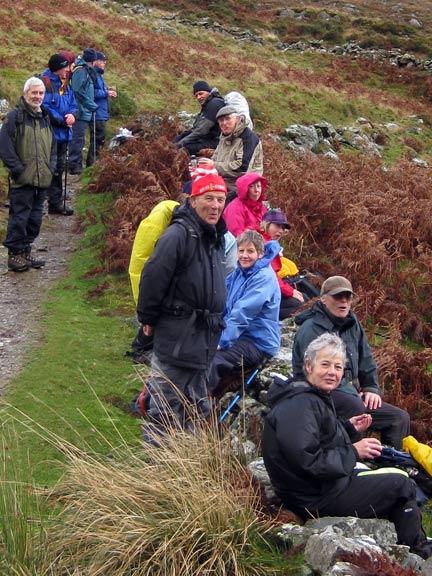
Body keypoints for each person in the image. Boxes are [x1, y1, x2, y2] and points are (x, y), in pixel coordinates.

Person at [262, 333, 432, 560]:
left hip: (317, 488)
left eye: (338, 366)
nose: (332, 372)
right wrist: (354, 450)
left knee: (389, 478)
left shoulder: (310, 395)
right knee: (401, 483)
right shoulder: (300, 405)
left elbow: (318, 440)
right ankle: (419, 552)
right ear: (308, 365)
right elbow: (309, 463)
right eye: (325, 364)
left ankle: (409, 544)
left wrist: (348, 428)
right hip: (313, 497)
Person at [136, 171, 228, 441]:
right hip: (177, 341)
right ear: (193, 199)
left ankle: (186, 471)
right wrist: (148, 322)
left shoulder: (216, 237)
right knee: (165, 410)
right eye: (208, 198)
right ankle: (156, 471)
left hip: (204, 343)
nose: (215, 205)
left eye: (220, 199)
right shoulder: (177, 236)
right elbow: (152, 279)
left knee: (196, 409)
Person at [292, 276, 410, 448]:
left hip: (351, 393)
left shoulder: (353, 324)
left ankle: (394, 463)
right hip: (318, 395)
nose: (344, 302)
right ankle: (354, 464)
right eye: (338, 297)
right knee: (355, 407)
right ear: (323, 299)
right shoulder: (310, 329)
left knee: (399, 418)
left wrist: (371, 389)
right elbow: (314, 375)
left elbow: (366, 359)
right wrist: (353, 394)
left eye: (348, 297)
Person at [208, 230, 281, 395]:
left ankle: (199, 405)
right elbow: (219, 296)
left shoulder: (263, 278)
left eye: (250, 251)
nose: (244, 256)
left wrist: (223, 340)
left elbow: (242, 313)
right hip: (239, 335)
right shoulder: (239, 273)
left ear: (261, 253)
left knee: (212, 359)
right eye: (241, 251)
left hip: (257, 342)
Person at [0, 77, 56, 272]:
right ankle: (14, 255)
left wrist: (51, 168)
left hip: (42, 180)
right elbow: (5, 148)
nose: (38, 96)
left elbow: (52, 148)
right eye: (34, 92)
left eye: (41, 93)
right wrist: (18, 170)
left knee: (35, 219)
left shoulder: (45, 117)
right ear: (25, 94)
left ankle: (25, 250)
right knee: (19, 217)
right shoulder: (14, 118)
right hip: (22, 180)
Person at [200, 105, 263, 200]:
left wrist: (214, 165)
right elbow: (216, 157)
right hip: (222, 182)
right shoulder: (225, 136)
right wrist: (204, 166)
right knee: (193, 186)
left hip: (241, 189)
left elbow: (242, 169)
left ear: (237, 119)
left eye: (228, 119)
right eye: (221, 120)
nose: (224, 123)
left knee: (207, 200)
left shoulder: (248, 138)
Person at [41, 53, 77, 216]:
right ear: (58, 69)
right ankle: (43, 202)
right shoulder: (45, 83)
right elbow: (45, 107)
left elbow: (73, 103)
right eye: (65, 67)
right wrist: (63, 120)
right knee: (50, 168)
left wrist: (73, 115)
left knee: (59, 168)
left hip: (64, 134)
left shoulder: (65, 84)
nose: (68, 70)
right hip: (50, 134)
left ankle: (55, 203)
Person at [260, 209, 307, 319]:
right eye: (277, 225)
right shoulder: (261, 244)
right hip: (263, 295)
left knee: (304, 299)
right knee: (299, 306)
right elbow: (270, 276)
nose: (280, 230)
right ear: (266, 225)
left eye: (282, 228)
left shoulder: (271, 244)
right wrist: (290, 292)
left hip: (271, 290)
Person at [174, 80, 225, 155]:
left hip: (217, 142)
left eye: (201, 94)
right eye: (196, 96)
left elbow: (201, 131)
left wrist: (181, 143)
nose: (198, 97)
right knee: (179, 138)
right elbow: (197, 128)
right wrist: (182, 137)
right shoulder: (208, 104)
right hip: (208, 139)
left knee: (185, 148)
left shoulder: (214, 104)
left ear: (208, 91)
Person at [68, 48, 98, 175]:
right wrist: (91, 105)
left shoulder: (85, 70)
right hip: (80, 111)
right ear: (93, 61)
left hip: (84, 110)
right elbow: (78, 91)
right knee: (77, 139)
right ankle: (74, 166)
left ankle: (77, 164)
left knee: (79, 139)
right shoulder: (81, 71)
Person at [87, 51, 117, 167]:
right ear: (96, 61)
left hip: (101, 113)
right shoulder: (93, 74)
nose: (104, 63)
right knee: (97, 139)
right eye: (102, 60)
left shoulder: (99, 75)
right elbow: (91, 92)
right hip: (96, 113)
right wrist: (106, 93)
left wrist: (107, 90)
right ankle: (91, 165)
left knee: (100, 139)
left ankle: (94, 165)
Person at [223, 172, 267, 237]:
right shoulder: (235, 208)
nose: (256, 190)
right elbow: (237, 235)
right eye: (251, 186)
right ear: (244, 189)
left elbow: (267, 232)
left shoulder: (262, 208)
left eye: (258, 186)